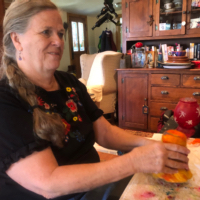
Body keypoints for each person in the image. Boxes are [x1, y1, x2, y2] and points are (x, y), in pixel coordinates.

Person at [0, 0, 190, 199]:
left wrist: (148, 146)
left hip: (93, 187)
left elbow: (104, 133)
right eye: (46, 32)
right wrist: (135, 161)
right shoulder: (6, 101)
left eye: (61, 33)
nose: (58, 41)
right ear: (17, 40)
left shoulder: (69, 82)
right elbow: (49, 183)